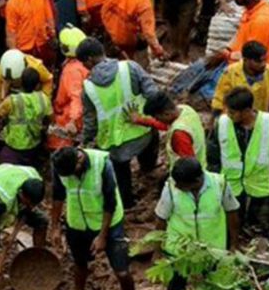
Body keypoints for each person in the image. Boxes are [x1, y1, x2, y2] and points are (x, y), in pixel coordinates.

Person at [50, 147, 139, 290]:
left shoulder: (103, 165)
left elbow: (110, 203)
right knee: (79, 264)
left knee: (122, 271)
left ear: (79, 160)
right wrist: (54, 227)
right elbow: (58, 195)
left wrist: (102, 236)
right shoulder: (60, 165)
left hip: (109, 223)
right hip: (78, 223)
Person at [80, 37, 159, 208]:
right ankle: (149, 172)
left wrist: (84, 142)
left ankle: (128, 203)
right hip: (142, 132)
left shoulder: (88, 88)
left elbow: (90, 122)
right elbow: (153, 94)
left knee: (121, 176)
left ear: (89, 60)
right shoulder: (130, 67)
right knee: (152, 139)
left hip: (114, 144)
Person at [209, 87, 269, 242]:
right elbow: (213, 156)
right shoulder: (222, 124)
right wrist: (214, 182)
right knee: (231, 222)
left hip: (261, 184)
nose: (228, 115)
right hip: (231, 184)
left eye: (232, 112)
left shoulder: (268, 123)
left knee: (267, 223)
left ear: (246, 111)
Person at [154, 158, 241, 290]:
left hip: (212, 249)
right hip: (180, 249)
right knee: (176, 286)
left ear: (196, 181)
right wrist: (157, 251)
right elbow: (161, 218)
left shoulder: (220, 184)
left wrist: (233, 245)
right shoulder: (170, 188)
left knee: (215, 285)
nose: (177, 186)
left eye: (181, 185)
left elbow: (232, 213)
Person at [0, 164, 47, 290]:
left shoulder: (34, 179)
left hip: (7, 181)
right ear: (22, 194)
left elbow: (30, 206)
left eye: (34, 204)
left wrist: (27, 209)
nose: (32, 207)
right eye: (29, 203)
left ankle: (37, 259)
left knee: (42, 221)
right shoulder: (1, 201)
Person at [90, 0, 164, 61]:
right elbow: (149, 34)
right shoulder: (144, 2)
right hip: (125, 40)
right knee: (128, 63)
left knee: (108, 58)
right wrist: (158, 50)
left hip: (108, 29)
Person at [0, 68, 52, 167]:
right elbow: (49, 119)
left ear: (20, 83)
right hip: (34, 145)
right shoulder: (44, 99)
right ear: (37, 85)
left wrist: (3, 94)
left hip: (14, 146)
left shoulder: (12, 101)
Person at [212, 41, 269, 117]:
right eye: (258, 61)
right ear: (246, 60)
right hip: (234, 120)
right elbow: (219, 100)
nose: (263, 64)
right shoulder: (230, 72)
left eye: (264, 60)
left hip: (260, 122)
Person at [46, 27, 90, 151]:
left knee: (59, 148)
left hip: (68, 115)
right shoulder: (83, 64)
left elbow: (76, 98)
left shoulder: (72, 71)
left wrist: (73, 121)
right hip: (80, 113)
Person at [141, 91, 206, 169]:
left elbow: (189, 168)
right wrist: (139, 120)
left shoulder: (179, 135)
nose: (157, 120)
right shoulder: (186, 109)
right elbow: (164, 125)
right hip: (202, 162)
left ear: (166, 114)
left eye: (157, 118)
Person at [5, 0, 56, 64]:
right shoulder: (13, 2)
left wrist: (52, 34)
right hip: (24, 48)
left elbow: (49, 16)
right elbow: (11, 31)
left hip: (42, 42)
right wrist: (13, 52)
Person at [0, 49, 54, 121]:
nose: (13, 82)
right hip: (10, 97)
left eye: (15, 80)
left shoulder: (36, 67)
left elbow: (48, 80)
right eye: (9, 80)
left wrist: (43, 101)